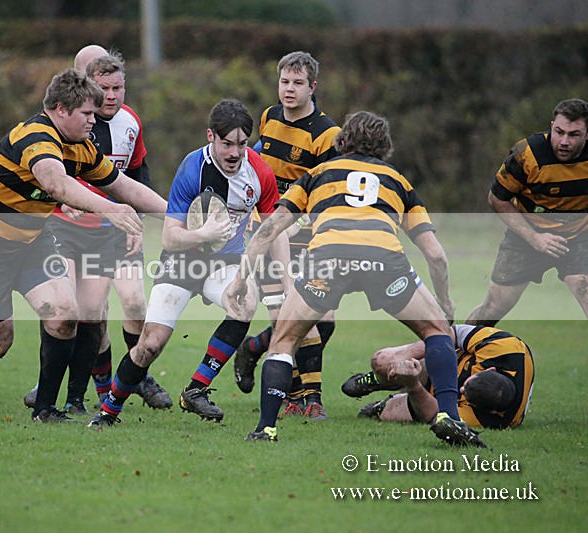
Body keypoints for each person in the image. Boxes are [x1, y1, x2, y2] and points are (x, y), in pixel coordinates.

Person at [0, 68, 166, 423]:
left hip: (30, 242)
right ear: (61, 109)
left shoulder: (80, 147)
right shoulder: (37, 137)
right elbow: (56, 184)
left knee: (64, 314)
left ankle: (45, 410)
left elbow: (124, 186)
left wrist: (179, 218)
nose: (95, 119)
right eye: (87, 114)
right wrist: (111, 208)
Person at [226, 111, 484, 447]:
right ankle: (448, 415)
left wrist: (240, 280)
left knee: (284, 341)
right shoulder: (397, 181)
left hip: (326, 261)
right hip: (383, 262)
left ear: (342, 141)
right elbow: (435, 254)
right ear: (384, 147)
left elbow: (269, 230)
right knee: (437, 331)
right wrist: (445, 302)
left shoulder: (318, 174)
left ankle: (266, 428)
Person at [87, 98, 283, 427]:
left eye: (241, 144)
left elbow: (276, 230)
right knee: (150, 345)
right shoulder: (193, 168)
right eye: (226, 144)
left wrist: (284, 280)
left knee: (245, 302)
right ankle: (109, 411)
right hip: (182, 261)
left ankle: (196, 390)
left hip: (227, 262)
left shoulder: (259, 171)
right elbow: (169, 238)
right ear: (211, 137)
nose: (235, 153)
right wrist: (204, 233)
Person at [22, 46, 171, 414]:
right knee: (69, 309)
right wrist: (67, 204)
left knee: (122, 304)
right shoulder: (66, 127)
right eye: (104, 90)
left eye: (119, 88)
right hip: (66, 228)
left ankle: (127, 377)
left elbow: (133, 179)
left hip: (112, 227)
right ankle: (67, 389)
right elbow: (51, 181)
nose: (111, 97)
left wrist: (150, 217)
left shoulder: (129, 123)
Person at [234, 51, 340, 421]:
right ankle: (306, 398)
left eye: (297, 83)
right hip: (268, 231)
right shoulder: (268, 117)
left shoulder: (328, 134)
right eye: (284, 82)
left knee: (321, 320)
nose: (289, 89)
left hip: (309, 234)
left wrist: (303, 219)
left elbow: (329, 189)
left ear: (313, 87)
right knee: (287, 314)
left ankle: (254, 347)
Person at [466, 98, 588, 324]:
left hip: (579, 236)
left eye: (574, 135)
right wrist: (534, 238)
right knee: (492, 309)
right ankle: (453, 353)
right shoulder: (527, 154)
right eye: (559, 132)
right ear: (551, 125)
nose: (564, 141)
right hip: (527, 235)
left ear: (587, 134)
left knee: (582, 285)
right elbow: (497, 199)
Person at [341, 324, 535, 430]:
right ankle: (381, 379)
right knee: (382, 360)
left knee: (390, 414)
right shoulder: (505, 346)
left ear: (490, 410)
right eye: (466, 384)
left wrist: (413, 384)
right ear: (489, 370)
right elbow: (449, 333)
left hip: (430, 396)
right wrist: (405, 358)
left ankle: (384, 403)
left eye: (465, 394)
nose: (459, 389)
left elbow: (433, 415)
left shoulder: (490, 420)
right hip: (440, 362)